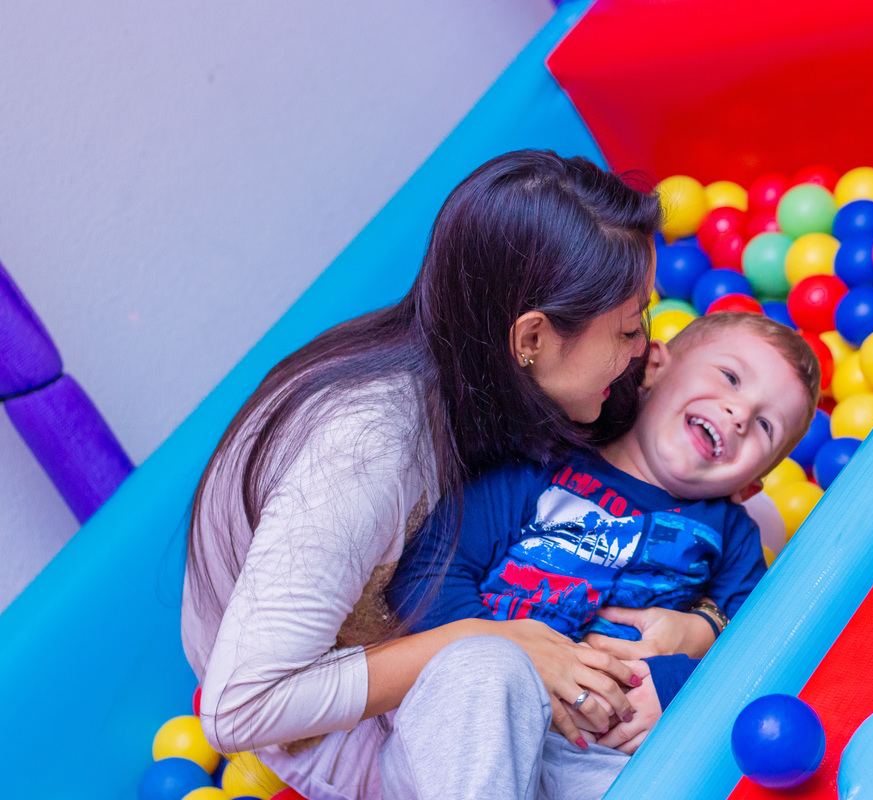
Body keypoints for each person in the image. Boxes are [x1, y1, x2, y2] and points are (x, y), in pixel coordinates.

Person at [181, 150, 720, 800]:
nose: (643, 348)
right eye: (630, 330)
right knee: (492, 672)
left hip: (475, 642)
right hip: (351, 728)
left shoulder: (478, 369)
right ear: (530, 339)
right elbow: (239, 706)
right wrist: (485, 637)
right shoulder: (368, 450)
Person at [390, 311, 821, 754]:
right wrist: (506, 659)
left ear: (749, 487)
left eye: (766, 426)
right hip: (479, 710)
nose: (740, 414)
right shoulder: (544, 461)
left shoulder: (731, 536)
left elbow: (754, 653)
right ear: (655, 366)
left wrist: (675, 690)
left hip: (604, 747)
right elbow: (427, 571)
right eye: (730, 377)